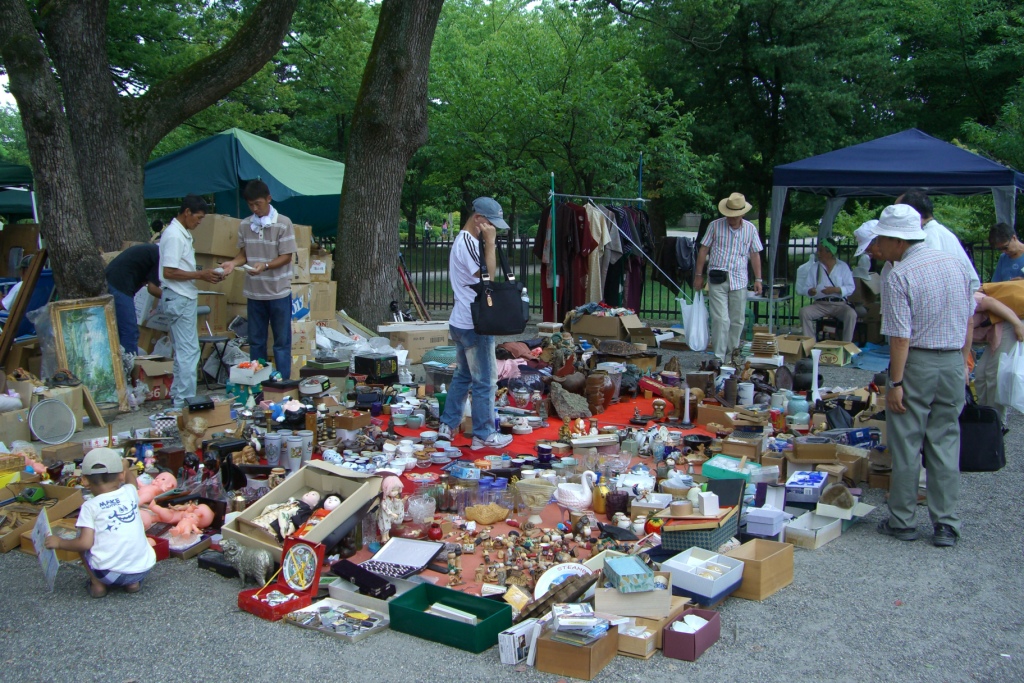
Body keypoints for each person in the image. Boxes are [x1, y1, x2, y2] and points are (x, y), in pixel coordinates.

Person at [871, 204, 974, 548]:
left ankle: (903, 520)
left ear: (898, 240)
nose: (879, 247)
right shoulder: (957, 263)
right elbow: (969, 316)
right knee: (946, 441)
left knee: (907, 443)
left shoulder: (899, 274)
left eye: (882, 239)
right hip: (952, 360)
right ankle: (946, 523)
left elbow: (901, 337)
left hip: (918, 362)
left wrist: (896, 383)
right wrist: (964, 360)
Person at [436, 196, 514, 451]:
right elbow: (486, 278)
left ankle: (447, 426)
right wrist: (490, 244)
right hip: (474, 323)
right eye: (491, 224)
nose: (493, 229)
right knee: (485, 381)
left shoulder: (465, 241)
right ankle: (484, 434)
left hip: (462, 320)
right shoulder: (468, 243)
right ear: (478, 219)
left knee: (463, 376)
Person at [43, 448, 156, 598]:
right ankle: (132, 584)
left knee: (80, 535)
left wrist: (59, 543)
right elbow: (131, 482)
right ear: (120, 475)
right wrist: (125, 467)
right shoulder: (129, 493)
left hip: (108, 575)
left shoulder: (90, 507)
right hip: (143, 568)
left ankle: (97, 585)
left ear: (84, 481)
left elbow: (84, 544)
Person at [219, 180, 297, 379]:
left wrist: (266, 265)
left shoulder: (283, 223)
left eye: (258, 204)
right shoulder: (245, 225)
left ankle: (282, 383)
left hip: (278, 291)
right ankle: (258, 384)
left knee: (281, 342)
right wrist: (232, 263)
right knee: (256, 341)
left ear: (269, 199)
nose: (255, 208)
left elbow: (287, 255)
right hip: (254, 293)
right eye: (251, 205)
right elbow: (243, 254)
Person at [158, 194, 224, 409]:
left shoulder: (180, 234)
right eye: (198, 217)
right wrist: (199, 275)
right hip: (179, 296)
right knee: (189, 352)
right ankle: (184, 402)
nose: (199, 222)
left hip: (181, 296)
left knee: (184, 351)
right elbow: (169, 271)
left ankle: (179, 398)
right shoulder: (175, 236)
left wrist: (202, 274)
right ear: (187, 212)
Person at [693, 192, 763, 359]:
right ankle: (718, 356)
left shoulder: (750, 229)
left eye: (735, 215)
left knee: (737, 320)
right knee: (720, 319)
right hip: (718, 277)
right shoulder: (715, 226)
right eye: (729, 215)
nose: (731, 218)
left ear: (742, 214)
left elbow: (755, 254)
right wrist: (698, 275)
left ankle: (733, 354)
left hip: (739, 279)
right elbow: (704, 249)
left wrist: (759, 279)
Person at [896, 190, 980, 291]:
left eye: (898, 213)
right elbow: (973, 281)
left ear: (913, 213)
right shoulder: (947, 234)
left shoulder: (923, 239)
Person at [796, 237, 857, 341]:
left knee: (851, 314)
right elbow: (806, 287)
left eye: (821, 250)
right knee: (804, 312)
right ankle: (810, 345)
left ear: (830, 253)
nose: (818, 253)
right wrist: (810, 291)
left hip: (839, 305)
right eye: (818, 250)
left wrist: (835, 290)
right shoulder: (815, 267)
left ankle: (846, 346)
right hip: (820, 305)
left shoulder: (843, 267)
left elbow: (851, 287)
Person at [105, 244, 161, 355]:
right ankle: (130, 368)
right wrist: (173, 297)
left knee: (118, 330)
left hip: (115, 282)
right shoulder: (162, 256)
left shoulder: (153, 251)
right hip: (119, 285)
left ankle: (119, 363)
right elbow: (152, 288)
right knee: (130, 331)